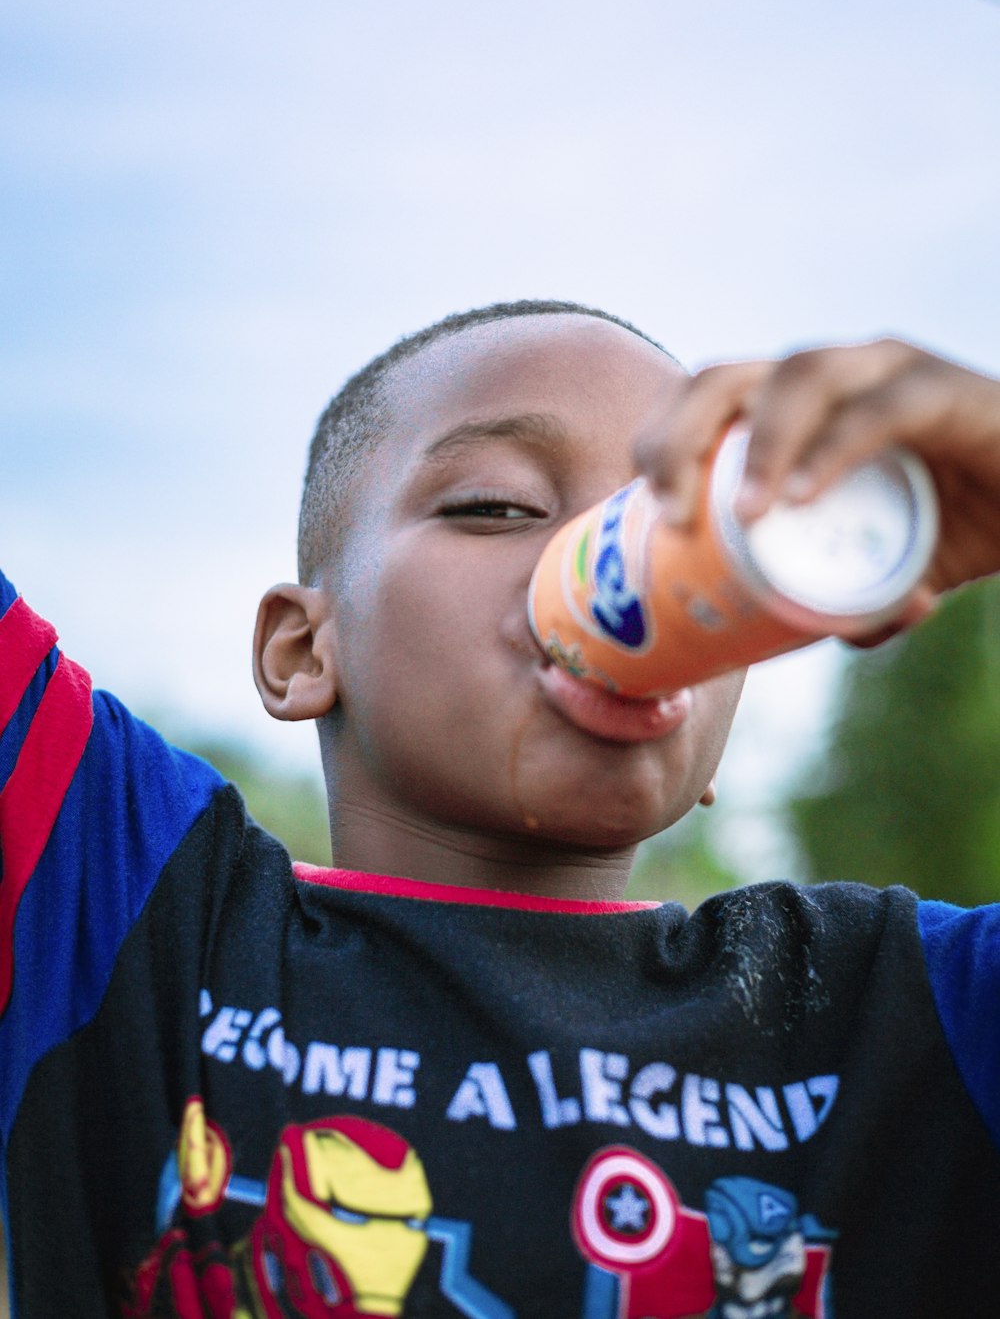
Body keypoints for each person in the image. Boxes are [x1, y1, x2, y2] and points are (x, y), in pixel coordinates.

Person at [1, 299, 998, 1319]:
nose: (628, 559)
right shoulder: (138, 919)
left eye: (696, 536)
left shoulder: (900, 1012)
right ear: (301, 651)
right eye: (497, 506)